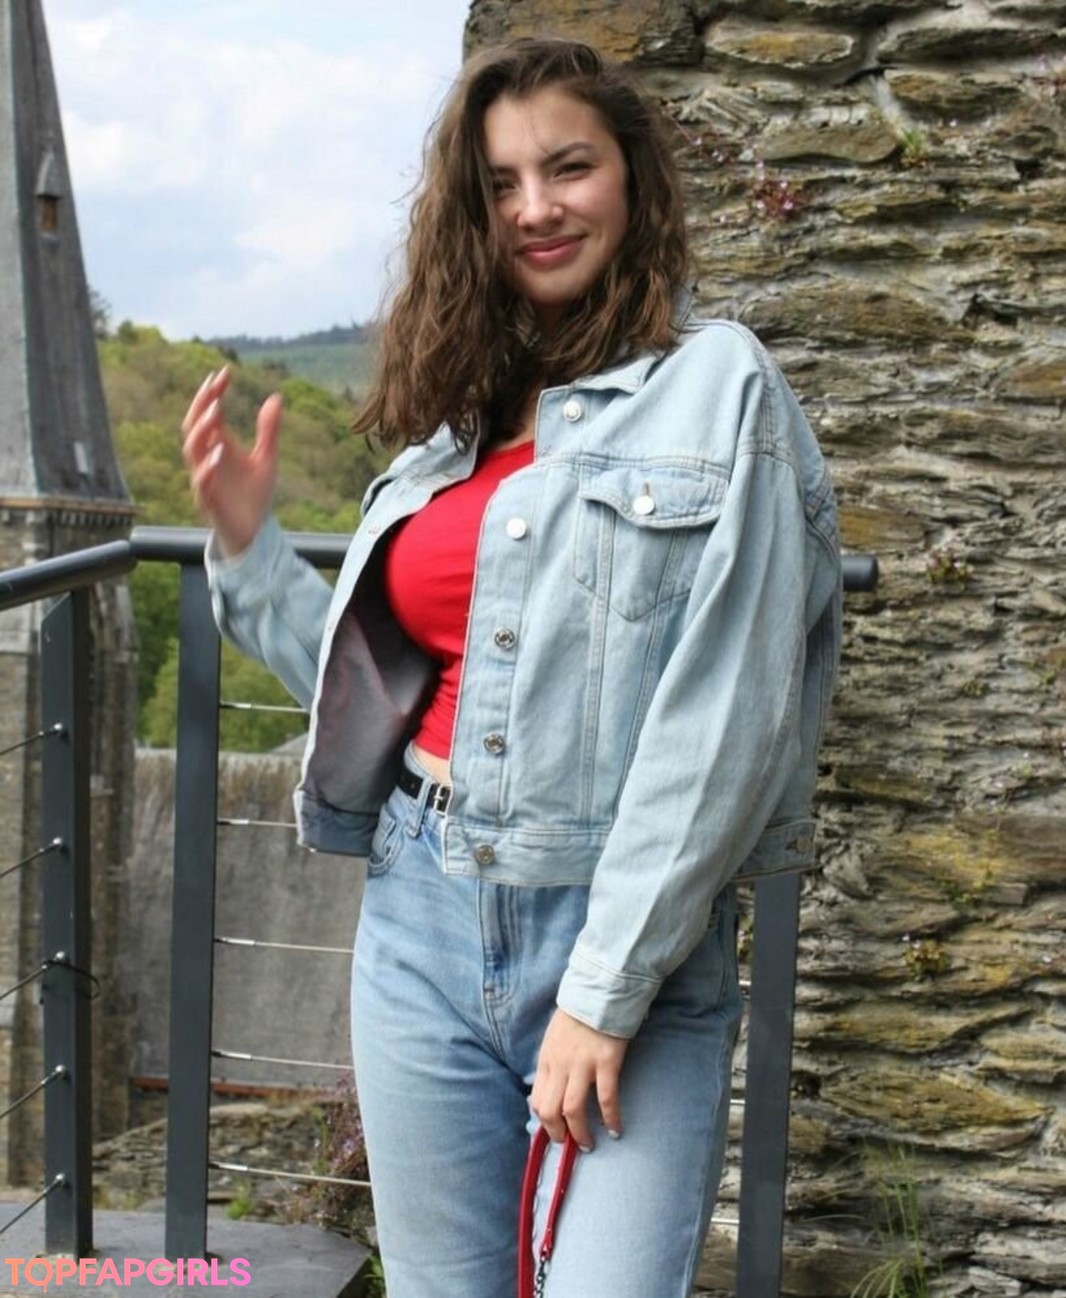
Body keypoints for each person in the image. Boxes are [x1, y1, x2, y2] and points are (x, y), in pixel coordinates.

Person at [181, 36, 841, 1298]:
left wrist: (602, 992)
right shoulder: (456, 426)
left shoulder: (723, 390)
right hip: (417, 918)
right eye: (500, 184)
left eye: (567, 167)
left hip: (625, 935)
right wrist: (250, 547)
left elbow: (728, 722)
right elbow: (377, 689)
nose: (535, 207)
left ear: (632, 177)